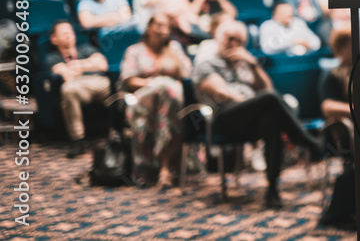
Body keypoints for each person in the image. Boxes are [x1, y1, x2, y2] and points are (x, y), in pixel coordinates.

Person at [192, 21, 323, 209]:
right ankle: (305, 141)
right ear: (218, 39)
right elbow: (220, 92)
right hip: (223, 118)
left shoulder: (243, 64)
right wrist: (254, 103)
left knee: (271, 121)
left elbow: (268, 88)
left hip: (251, 118)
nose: (234, 44)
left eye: (239, 41)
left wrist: (253, 65)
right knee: (268, 100)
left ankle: (272, 190)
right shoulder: (207, 62)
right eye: (230, 39)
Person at [119, 13, 193, 187]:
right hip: (144, 96)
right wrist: (154, 84)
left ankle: (163, 167)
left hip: (172, 101)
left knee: (169, 101)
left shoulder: (174, 48)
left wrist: (164, 83)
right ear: (148, 27)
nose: (162, 29)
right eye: (158, 25)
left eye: (166, 26)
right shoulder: (134, 50)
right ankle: (163, 168)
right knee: (163, 91)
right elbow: (128, 80)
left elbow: (186, 73)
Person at [46, 21, 111, 157]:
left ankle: (118, 131)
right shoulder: (52, 57)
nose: (69, 35)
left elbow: (103, 64)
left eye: (70, 32)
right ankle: (78, 140)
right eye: (64, 33)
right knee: (68, 89)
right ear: (54, 39)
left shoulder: (86, 48)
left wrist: (78, 65)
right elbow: (64, 73)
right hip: (78, 87)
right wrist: (90, 64)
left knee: (117, 87)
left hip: (99, 83)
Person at [317, 29, 356, 229]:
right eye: (352, 44)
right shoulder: (332, 75)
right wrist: (356, 110)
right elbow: (327, 107)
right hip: (342, 135)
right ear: (341, 48)